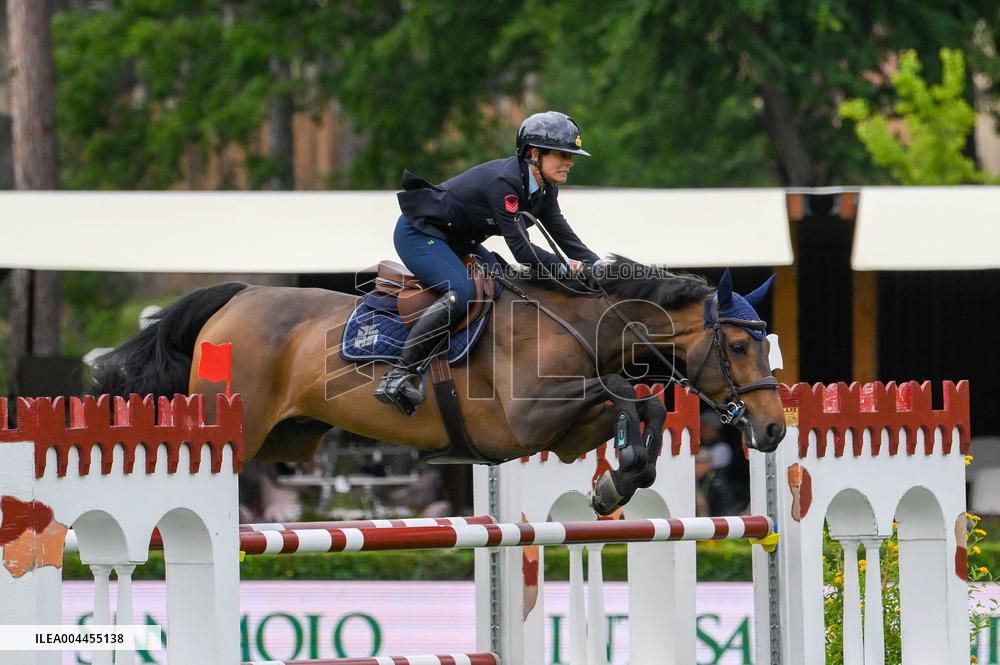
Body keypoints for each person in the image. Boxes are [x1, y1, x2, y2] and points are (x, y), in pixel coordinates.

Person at [373, 111, 602, 415]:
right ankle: (400, 373)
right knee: (462, 291)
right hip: (419, 233)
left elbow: (563, 235)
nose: (570, 162)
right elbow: (522, 251)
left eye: (571, 156)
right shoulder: (504, 183)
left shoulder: (545, 189)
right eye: (563, 155)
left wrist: (600, 267)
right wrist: (565, 268)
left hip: (457, 240)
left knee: (504, 283)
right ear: (534, 154)